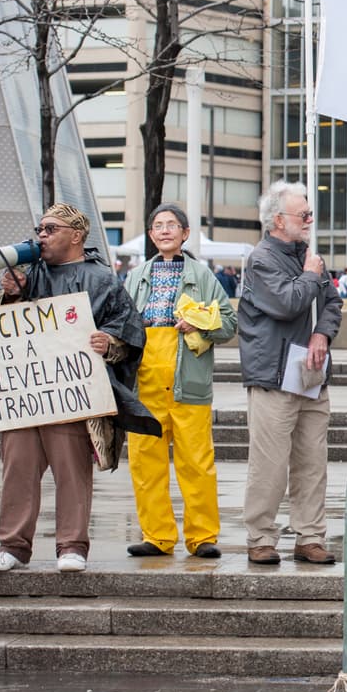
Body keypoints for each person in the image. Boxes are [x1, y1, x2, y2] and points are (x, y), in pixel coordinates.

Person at [0, 203, 159, 573]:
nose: (42, 236)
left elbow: (128, 328)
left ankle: (71, 546)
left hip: (71, 397)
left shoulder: (102, 280)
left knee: (71, 471)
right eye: (40, 229)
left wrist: (109, 342)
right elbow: (0, 328)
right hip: (26, 395)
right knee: (17, 468)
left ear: (77, 235)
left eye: (50, 229)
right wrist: (10, 296)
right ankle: (13, 545)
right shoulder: (28, 276)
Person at [122, 205, 237, 559]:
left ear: (186, 234)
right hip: (145, 383)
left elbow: (229, 323)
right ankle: (156, 535)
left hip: (189, 381)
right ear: (151, 234)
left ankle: (202, 536)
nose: (165, 230)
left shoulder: (202, 276)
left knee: (196, 461)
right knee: (145, 461)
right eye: (158, 225)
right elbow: (121, 321)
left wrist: (200, 323)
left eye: (172, 225)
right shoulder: (135, 276)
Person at [238, 180, 343, 565]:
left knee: (312, 461)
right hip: (273, 374)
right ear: (278, 220)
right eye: (304, 214)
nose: (310, 220)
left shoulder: (309, 258)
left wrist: (322, 334)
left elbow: (332, 303)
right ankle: (261, 537)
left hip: (310, 373)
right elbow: (287, 303)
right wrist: (312, 275)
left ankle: (310, 535)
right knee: (269, 463)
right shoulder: (262, 259)